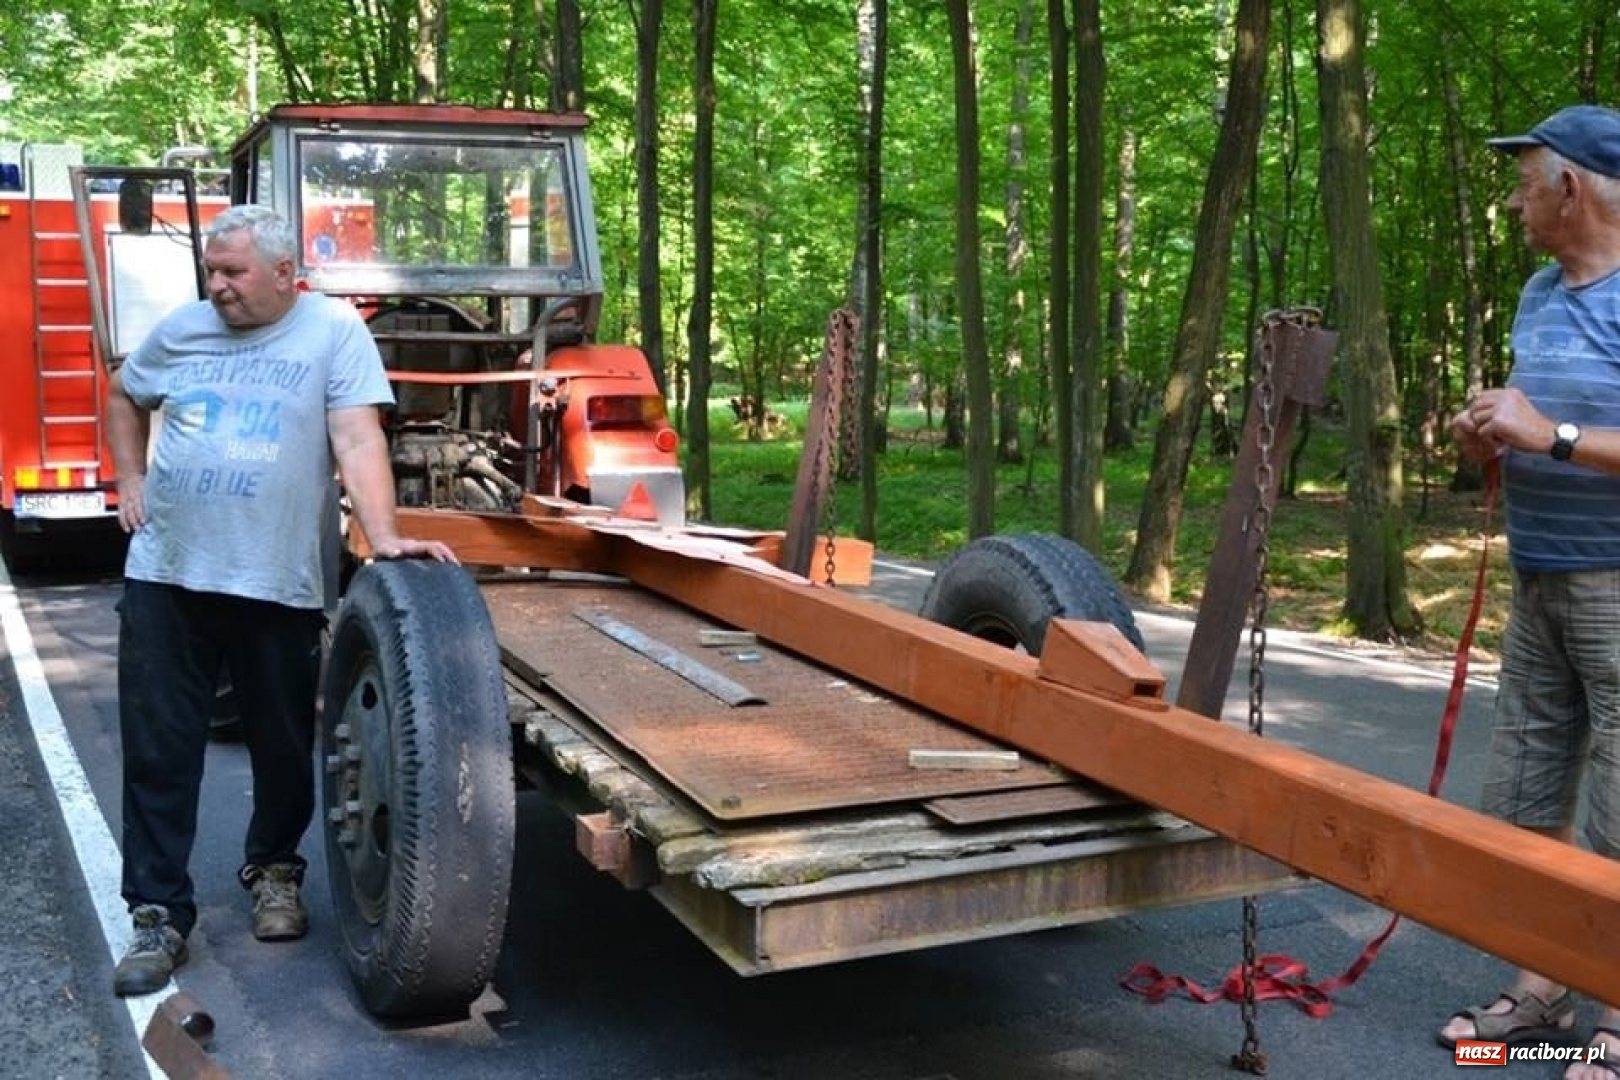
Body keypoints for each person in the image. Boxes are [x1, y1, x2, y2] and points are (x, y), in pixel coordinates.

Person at [105, 204, 457, 996]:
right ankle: (158, 913)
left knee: (280, 742)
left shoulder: (331, 332)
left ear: (283, 274)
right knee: (159, 750)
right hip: (166, 575)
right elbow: (123, 392)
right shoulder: (183, 330)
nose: (217, 287)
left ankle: (274, 871)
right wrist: (129, 476)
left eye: (232, 273)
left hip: (276, 580)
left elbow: (358, 437)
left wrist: (383, 534)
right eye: (212, 272)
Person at [1442, 104, 1620, 1079]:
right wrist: (1487, 438)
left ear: (1570, 187)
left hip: (1618, 586)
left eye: (1523, 179)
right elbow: (1528, 420)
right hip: (1538, 573)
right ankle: (1544, 982)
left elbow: (1558, 428)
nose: (1511, 198)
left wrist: (1545, 431)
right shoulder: (1538, 294)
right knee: (1528, 790)